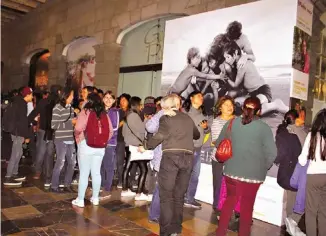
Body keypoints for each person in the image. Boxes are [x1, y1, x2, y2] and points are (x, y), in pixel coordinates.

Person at [215, 96, 277, 236]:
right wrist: (262, 167)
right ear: (259, 111)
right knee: (247, 209)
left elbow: (219, 143)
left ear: (243, 108)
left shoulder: (232, 123)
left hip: (231, 173)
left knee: (228, 203)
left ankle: (220, 232)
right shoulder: (264, 128)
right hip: (253, 177)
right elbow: (272, 153)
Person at [140, 94, 200, 236]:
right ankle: (176, 229)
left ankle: (165, 232)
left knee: (166, 196)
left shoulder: (166, 118)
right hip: (187, 159)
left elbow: (159, 136)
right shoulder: (187, 118)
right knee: (179, 196)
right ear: (178, 104)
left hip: (171, 158)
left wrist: (146, 146)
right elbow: (196, 135)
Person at [222, 41, 289, 115]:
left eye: (228, 57)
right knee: (236, 104)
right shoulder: (241, 61)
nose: (226, 60)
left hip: (262, 91)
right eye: (225, 58)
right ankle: (267, 108)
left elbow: (235, 85)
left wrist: (226, 78)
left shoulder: (241, 64)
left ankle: (275, 104)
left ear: (235, 53)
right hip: (252, 94)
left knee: (251, 111)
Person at [72, 93, 113, 207]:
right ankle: (95, 198)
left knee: (84, 173)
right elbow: (111, 131)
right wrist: (103, 140)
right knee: (96, 172)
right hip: (100, 148)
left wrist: (78, 138)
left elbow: (78, 128)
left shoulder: (85, 111)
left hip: (86, 144)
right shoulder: (104, 113)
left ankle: (80, 200)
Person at [298, 109, 326, 236]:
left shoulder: (312, 135)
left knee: (311, 211)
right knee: (323, 211)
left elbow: (302, 160)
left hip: (314, 176)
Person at [29, 85, 62, 187]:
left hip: (42, 130)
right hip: (53, 131)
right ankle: (48, 175)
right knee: (50, 153)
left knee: (40, 151)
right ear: (59, 92)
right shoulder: (59, 103)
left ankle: (38, 172)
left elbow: (33, 113)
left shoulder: (43, 101)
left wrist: (31, 122)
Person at [274, 110, 302, 226]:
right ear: (295, 119)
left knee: (288, 198)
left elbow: (279, 153)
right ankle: (290, 223)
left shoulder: (281, 132)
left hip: (285, 172)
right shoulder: (298, 133)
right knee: (293, 200)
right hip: (294, 172)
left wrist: (277, 161)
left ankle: (287, 222)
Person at [210, 97, 237, 217]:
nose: (229, 107)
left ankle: (233, 207)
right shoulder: (217, 121)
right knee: (219, 183)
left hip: (235, 159)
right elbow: (215, 141)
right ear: (220, 107)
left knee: (233, 185)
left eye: (231, 105)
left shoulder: (238, 121)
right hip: (219, 158)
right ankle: (218, 207)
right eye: (226, 105)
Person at [183, 91, 209, 209]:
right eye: (199, 96)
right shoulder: (186, 114)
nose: (201, 98)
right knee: (185, 174)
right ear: (191, 98)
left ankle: (189, 198)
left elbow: (207, 132)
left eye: (202, 96)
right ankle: (182, 197)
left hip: (198, 149)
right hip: (189, 148)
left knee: (195, 175)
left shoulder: (203, 114)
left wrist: (206, 128)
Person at [3, 87, 33, 186]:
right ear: (27, 95)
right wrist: (26, 135)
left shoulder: (19, 102)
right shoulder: (21, 104)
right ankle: (8, 177)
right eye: (31, 95)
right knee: (15, 154)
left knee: (19, 152)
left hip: (16, 132)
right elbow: (22, 122)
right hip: (17, 132)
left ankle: (14, 173)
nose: (32, 97)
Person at [121, 96, 148, 200]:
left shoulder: (127, 115)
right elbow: (142, 129)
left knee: (127, 167)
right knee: (144, 169)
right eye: (140, 104)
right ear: (136, 104)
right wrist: (145, 120)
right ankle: (139, 193)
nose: (141, 106)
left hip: (129, 145)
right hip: (135, 146)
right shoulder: (134, 116)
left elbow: (123, 132)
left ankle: (125, 189)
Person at [50, 88, 76, 193]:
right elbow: (54, 125)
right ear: (66, 96)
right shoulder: (58, 107)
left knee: (72, 162)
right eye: (71, 95)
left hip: (70, 139)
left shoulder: (71, 108)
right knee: (60, 163)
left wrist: (75, 124)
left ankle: (67, 184)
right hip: (60, 139)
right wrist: (70, 123)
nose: (73, 97)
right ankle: (54, 186)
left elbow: (72, 124)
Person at [100, 91, 119, 198]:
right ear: (103, 99)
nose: (108, 100)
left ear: (114, 100)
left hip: (110, 143)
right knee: (101, 166)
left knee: (109, 166)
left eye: (110, 98)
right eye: (106, 97)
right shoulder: (100, 111)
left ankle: (107, 188)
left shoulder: (114, 111)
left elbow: (115, 127)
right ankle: (101, 185)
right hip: (100, 143)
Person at [116, 93, 131, 188]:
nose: (122, 102)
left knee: (131, 161)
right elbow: (115, 125)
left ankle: (130, 179)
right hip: (120, 139)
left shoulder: (132, 112)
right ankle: (120, 180)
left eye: (124, 100)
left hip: (130, 140)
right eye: (121, 100)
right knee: (120, 161)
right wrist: (123, 120)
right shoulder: (117, 112)